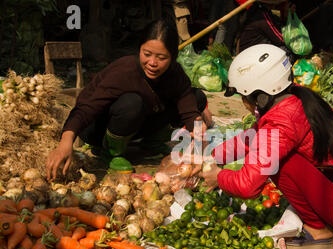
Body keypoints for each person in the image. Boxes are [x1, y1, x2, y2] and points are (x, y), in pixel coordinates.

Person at [200, 44, 333, 244]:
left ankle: (318, 229)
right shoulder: (294, 99)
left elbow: (248, 187)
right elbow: (252, 138)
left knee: (279, 162)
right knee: (272, 156)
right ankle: (321, 223)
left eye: (244, 96)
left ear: (261, 95)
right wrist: (212, 156)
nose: (244, 102)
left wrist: (219, 177)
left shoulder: (283, 121)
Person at [46, 18, 212, 181]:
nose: (152, 63)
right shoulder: (124, 71)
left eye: (161, 58)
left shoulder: (175, 74)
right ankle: (111, 153)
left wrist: (199, 139)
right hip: (99, 128)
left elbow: (189, 110)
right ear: (139, 49)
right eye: (147, 54)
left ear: (173, 57)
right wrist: (65, 142)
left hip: (137, 123)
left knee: (197, 97)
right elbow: (85, 109)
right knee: (132, 102)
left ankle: (151, 142)